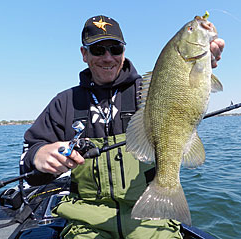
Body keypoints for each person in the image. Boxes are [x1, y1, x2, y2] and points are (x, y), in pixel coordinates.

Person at [20, 15, 225, 238]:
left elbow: (182, 92)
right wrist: (38, 156)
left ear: (124, 51)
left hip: (151, 219)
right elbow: (28, 165)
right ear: (84, 54)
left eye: (115, 48)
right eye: (98, 50)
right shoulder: (64, 103)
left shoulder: (147, 90)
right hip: (86, 222)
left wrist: (205, 64)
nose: (108, 57)